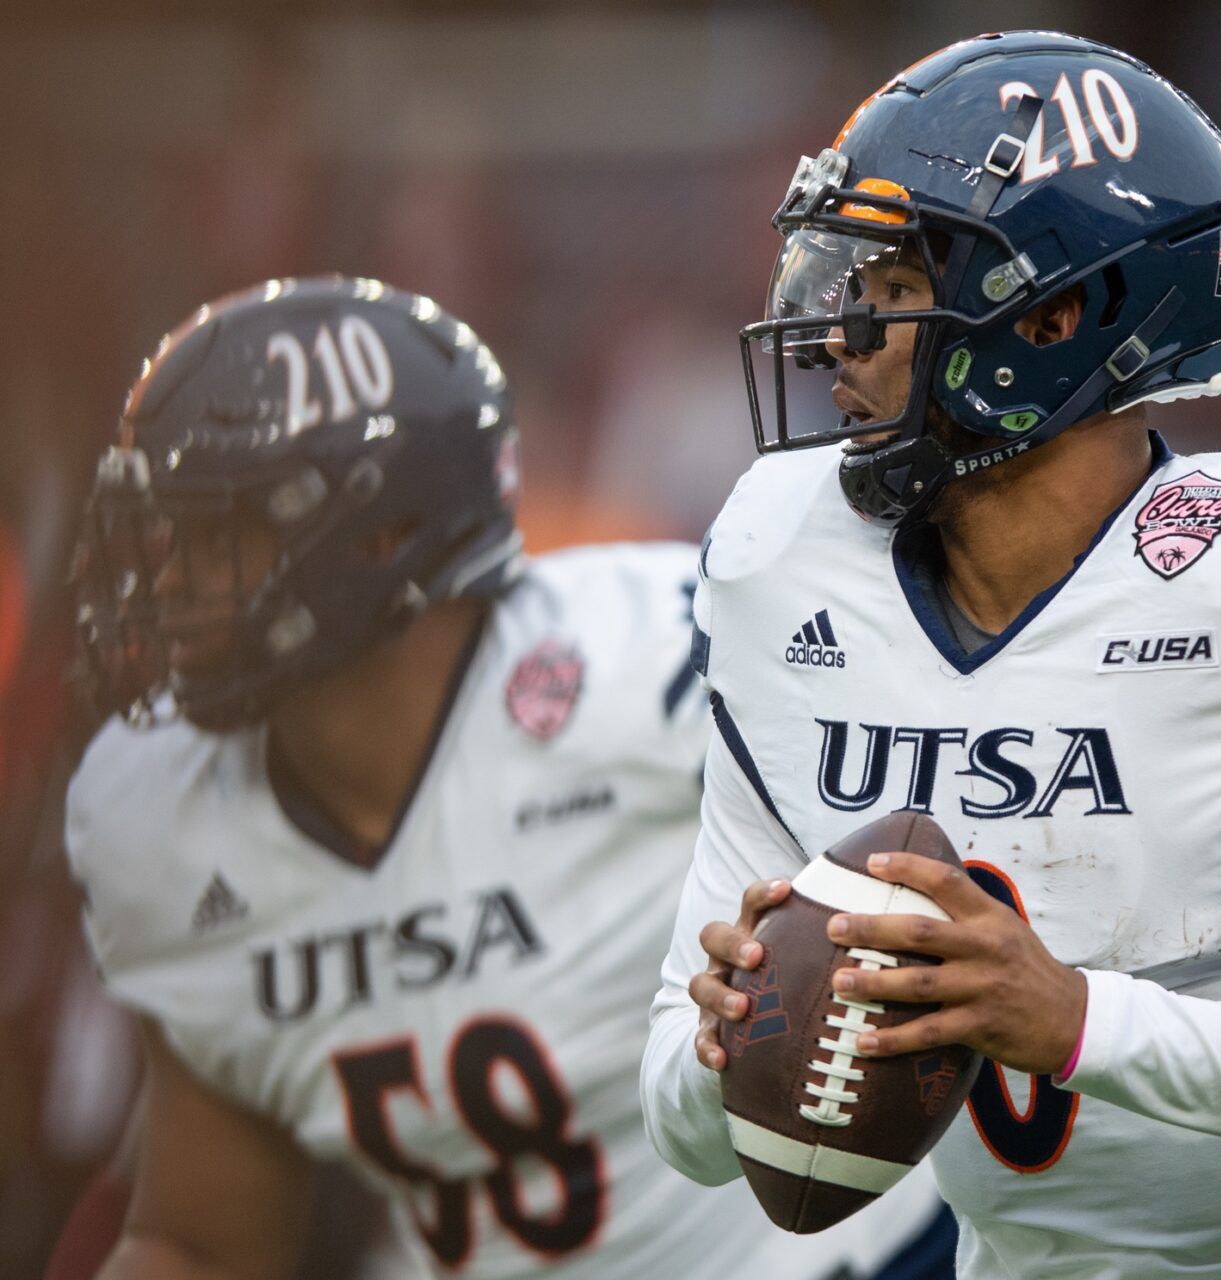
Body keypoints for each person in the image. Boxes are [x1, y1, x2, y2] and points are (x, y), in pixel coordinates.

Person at [645, 32, 1221, 1279]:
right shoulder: (790, 567)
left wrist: (1073, 1019)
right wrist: (736, 1032)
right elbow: (680, 1127)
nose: (839, 335)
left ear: (1052, 318)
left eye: (894, 286)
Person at [61, 276, 935, 1279]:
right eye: (168, 536)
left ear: (379, 536)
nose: (170, 582)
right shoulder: (154, 812)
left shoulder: (652, 663)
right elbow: (207, 1237)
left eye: (220, 535)